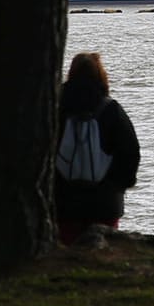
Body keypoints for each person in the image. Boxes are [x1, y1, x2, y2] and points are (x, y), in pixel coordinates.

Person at [54, 51, 142, 245]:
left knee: (65, 253)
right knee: (102, 253)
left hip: (63, 201)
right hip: (105, 202)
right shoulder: (111, 110)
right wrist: (118, 186)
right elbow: (130, 153)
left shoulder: (54, 108)